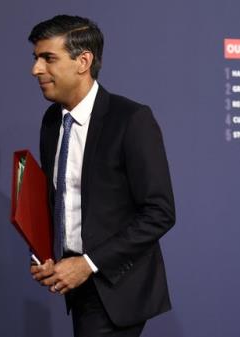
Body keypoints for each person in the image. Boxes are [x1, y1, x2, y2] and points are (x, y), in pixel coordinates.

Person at [29, 15, 176, 337]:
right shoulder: (53, 120)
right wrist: (47, 253)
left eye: (48, 58)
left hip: (118, 286)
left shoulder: (131, 120)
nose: (36, 70)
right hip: (74, 282)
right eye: (36, 59)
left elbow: (159, 213)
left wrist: (88, 263)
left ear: (83, 61)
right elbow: (59, 200)